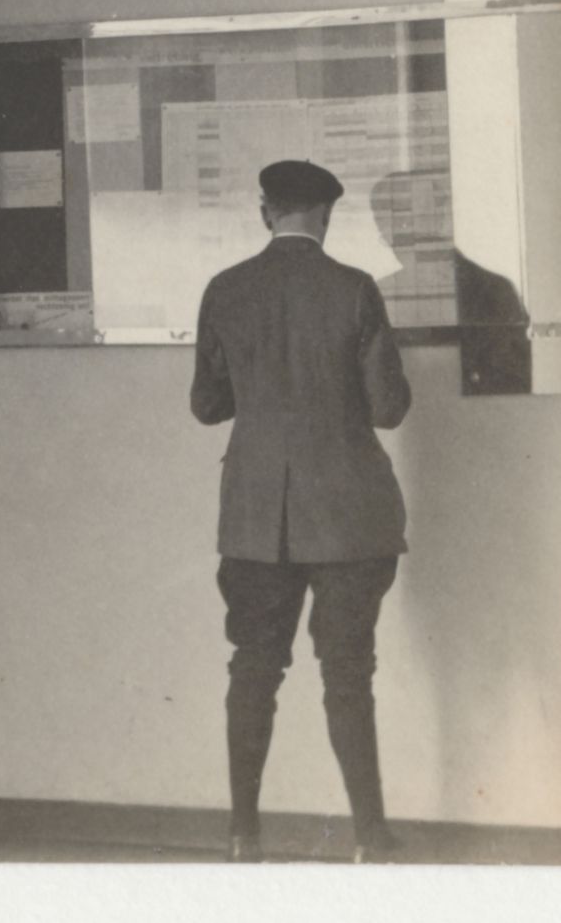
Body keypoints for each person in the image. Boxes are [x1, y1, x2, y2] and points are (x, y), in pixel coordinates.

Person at [191, 159, 411, 863]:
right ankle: (370, 836)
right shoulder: (354, 289)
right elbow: (389, 407)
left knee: (253, 666)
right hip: (349, 516)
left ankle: (242, 832)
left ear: (265, 211)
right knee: (348, 672)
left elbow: (206, 405)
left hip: (257, 516)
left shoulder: (224, 290)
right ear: (326, 215)